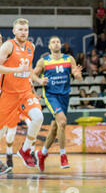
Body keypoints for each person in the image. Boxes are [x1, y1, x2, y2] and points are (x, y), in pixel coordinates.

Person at [0, 18, 46, 168]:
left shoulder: (31, 47)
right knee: (2, 132)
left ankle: (25, 150)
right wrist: (16, 70)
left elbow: (29, 71)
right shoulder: (8, 46)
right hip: (8, 95)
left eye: (25, 30)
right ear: (13, 31)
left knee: (38, 117)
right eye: (20, 29)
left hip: (25, 93)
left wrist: (37, 81)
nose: (23, 32)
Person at [33, 36, 83, 171]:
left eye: (57, 42)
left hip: (64, 96)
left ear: (60, 45)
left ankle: (42, 153)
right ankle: (63, 155)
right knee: (62, 122)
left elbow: (77, 75)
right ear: (49, 46)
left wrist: (78, 75)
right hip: (50, 95)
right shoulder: (44, 61)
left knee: (55, 127)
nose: (55, 44)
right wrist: (39, 81)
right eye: (53, 42)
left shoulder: (69, 58)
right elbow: (33, 75)